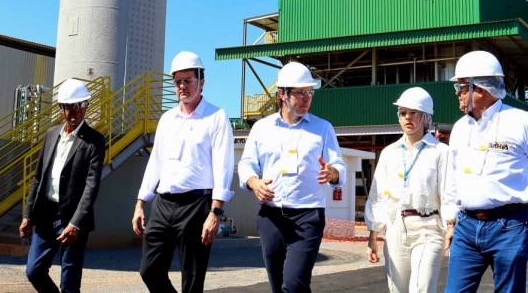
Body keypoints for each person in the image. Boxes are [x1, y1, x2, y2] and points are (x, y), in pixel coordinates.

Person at [443, 51, 528, 293]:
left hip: (509, 227)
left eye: (462, 88)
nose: (458, 94)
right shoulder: (459, 129)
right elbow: (452, 179)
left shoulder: (524, 123)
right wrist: (451, 222)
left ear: (481, 89)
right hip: (466, 227)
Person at [238, 61, 347, 293]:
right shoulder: (261, 128)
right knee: (278, 287)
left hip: (308, 216)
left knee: (294, 285)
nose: (307, 98)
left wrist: (333, 172)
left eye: (310, 92)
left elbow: (338, 165)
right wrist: (253, 181)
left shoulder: (323, 128)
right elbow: (246, 163)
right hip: (271, 216)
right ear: (282, 95)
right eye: (300, 93)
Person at [133, 51, 235, 293]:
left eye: (188, 80)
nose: (182, 87)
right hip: (163, 204)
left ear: (202, 80)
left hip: (196, 205)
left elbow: (224, 166)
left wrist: (216, 212)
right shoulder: (167, 119)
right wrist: (140, 203)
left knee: (191, 280)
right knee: (149, 271)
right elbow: (155, 162)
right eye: (177, 81)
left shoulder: (216, 117)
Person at [364, 87, 455, 293]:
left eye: (414, 113)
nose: (408, 118)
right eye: (403, 113)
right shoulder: (389, 153)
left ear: (426, 117)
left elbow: (449, 191)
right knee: (397, 289)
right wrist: (373, 236)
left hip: (428, 229)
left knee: (421, 288)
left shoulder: (441, 152)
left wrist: (451, 225)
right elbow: (378, 196)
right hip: (396, 228)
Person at [20, 79, 105, 293]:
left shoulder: (94, 141)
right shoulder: (51, 135)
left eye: (82, 105)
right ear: (61, 108)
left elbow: (91, 186)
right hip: (46, 213)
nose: (77, 111)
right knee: (34, 271)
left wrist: (75, 224)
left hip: (74, 218)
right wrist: (27, 215)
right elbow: (38, 178)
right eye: (71, 106)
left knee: (69, 280)